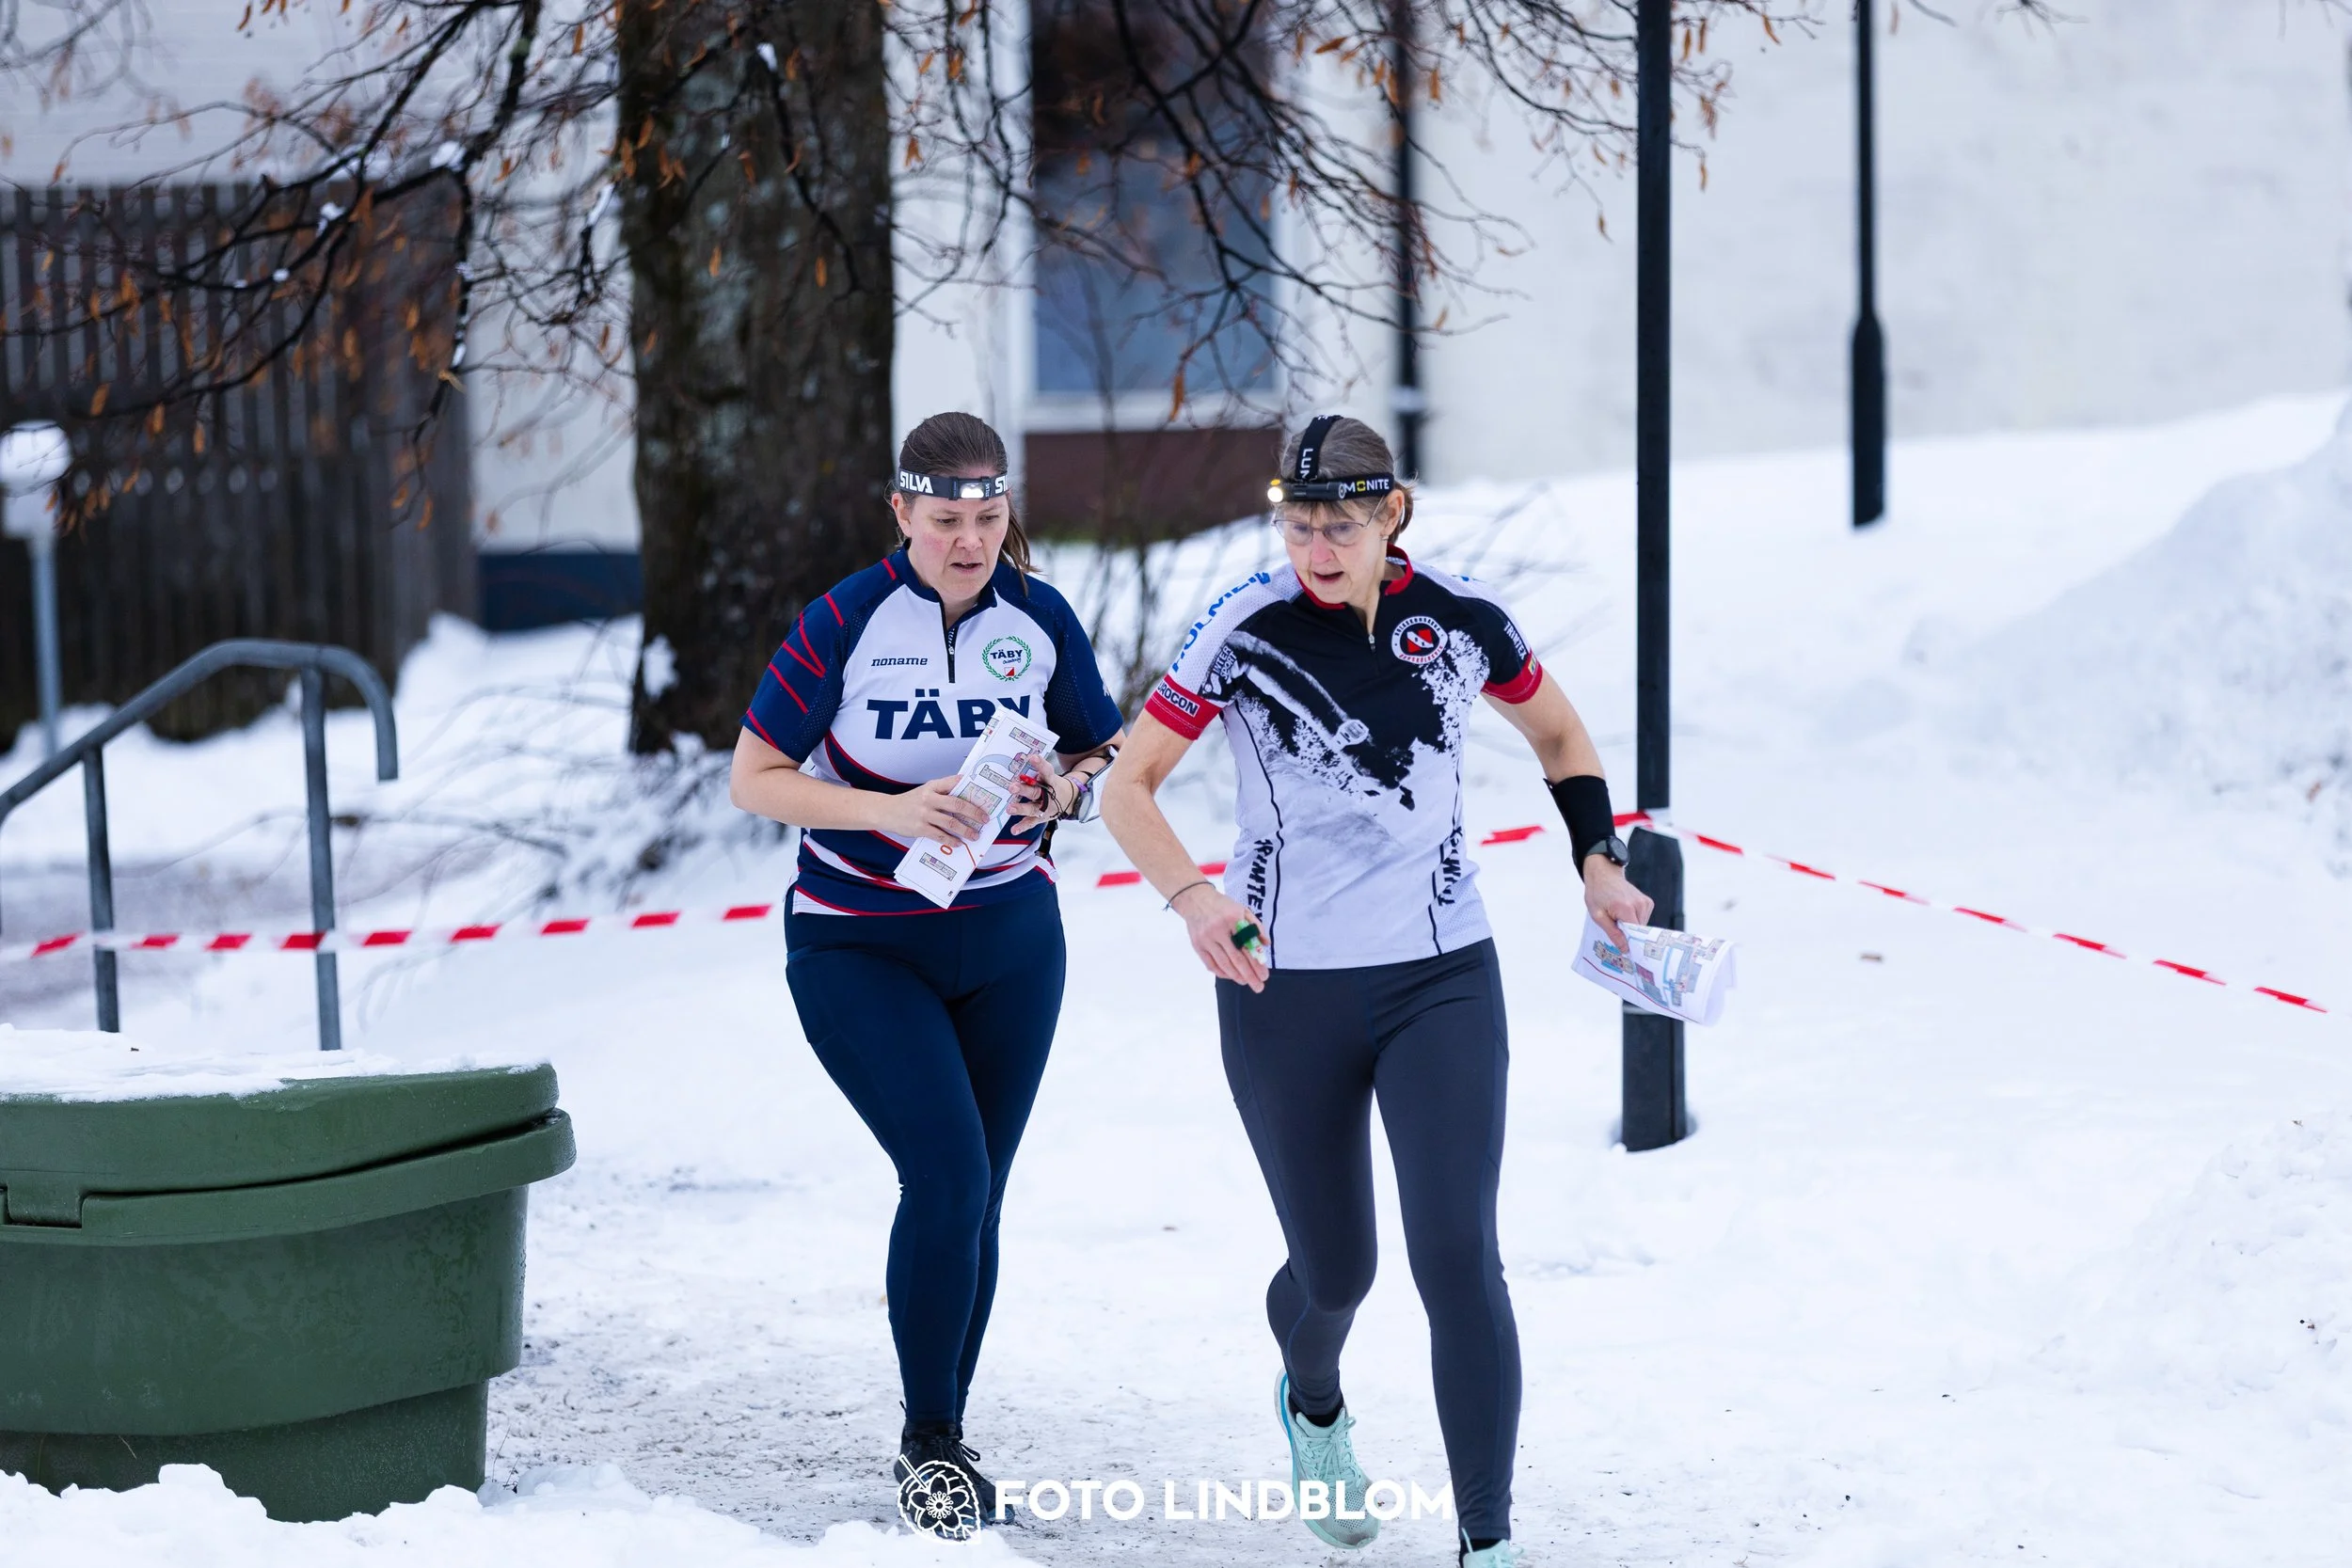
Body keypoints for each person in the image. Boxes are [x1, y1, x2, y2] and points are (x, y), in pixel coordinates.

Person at [1098, 415, 1652, 1567]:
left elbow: (1557, 733)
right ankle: (1312, 1401)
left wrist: (1597, 857)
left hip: (1439, 976)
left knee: (1457, 1254)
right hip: (1278, 982)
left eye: (1340, 524)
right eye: (1298, 523)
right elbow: (1129, 786)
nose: (1316, 546)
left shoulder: (1457, 616)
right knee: (1336, 1266)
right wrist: (1195, 897)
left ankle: (1485, 1539)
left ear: (1391, 513)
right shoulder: (1242, 625)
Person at [729, 411, 1126, 1536]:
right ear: (900, 512)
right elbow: (753, 779)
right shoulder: (846, 619)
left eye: (989, 519)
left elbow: (1097, 741)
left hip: (1009, 941)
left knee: (979, 1193)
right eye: (945, 519)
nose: (968, 541)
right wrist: (884, 808)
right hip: (859, 941)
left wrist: (1063, 786)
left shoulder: (1039, 614)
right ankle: (931, 1446)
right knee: (946, 1175)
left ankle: (942, 1424)